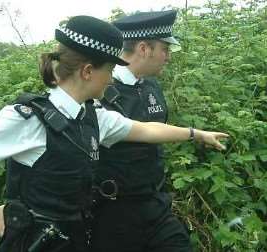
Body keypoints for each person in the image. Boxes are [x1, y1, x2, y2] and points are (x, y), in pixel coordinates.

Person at [0, 15, 228, 252]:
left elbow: (146, 129)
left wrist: (194, 133)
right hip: (32, 241)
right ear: (88, 71)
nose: (111, 78)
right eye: (109, 70)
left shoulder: (93, 116)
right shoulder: (30, 118)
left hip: (76, 238)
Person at [91, 10, 195, 252]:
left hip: (155, 204)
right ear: (143, 49)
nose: (167, 57)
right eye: (164, 49)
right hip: (113, 213)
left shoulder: (151, 87)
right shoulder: (100, 91)